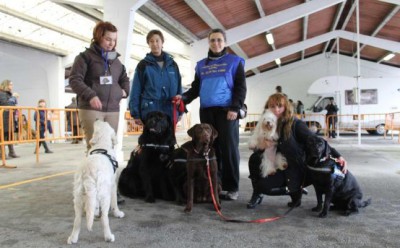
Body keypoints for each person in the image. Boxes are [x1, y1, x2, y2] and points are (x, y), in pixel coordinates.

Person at [246, 93, 348, 209]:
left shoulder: (295, 124)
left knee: (265, 187)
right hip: (275, 162)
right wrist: (261, 145)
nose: (276, 110)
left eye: (280, 106)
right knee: (254, 159)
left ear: (286, 107)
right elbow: (256, 146)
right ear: (268, 107)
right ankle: (257, 193)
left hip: (295, 167)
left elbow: (317, 141)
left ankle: (295, 191)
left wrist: (338, 156)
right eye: (272, 106)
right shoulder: (265, 121)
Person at [180, 28, 247, 200]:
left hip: (226, 113)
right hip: (207, 112)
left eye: (219, 40)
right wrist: (183, 98)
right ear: (208, 43)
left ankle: (231, 187)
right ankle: (216, 185)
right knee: (210, 150)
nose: (216, 43)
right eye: (212, 40)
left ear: (225, 42)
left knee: (229, 148)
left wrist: (235, 108)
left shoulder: (234, 61)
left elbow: (240, 87)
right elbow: (196, 88)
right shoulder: (201, 65)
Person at [69, 21, 130, 151]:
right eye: (108, 39)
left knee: (110, 147)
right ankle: (93, 171)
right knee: (95, 147)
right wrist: (91, 95)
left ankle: (108, 171)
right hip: (91, 109)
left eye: (114, 40)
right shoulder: (84, 57)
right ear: (98, 36)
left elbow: (124, 79)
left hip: (113, 110)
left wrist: (124, 92)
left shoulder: (116, 62)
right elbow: (74, 80)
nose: (111, 43)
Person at [129, 29, 182, 129]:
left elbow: (179, 88)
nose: (155, 44)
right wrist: (135, 113)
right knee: (150, 143)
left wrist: (181, 110)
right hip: (150, 112)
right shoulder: (143, 65)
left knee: (168, 143)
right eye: (151, 41)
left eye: (157, 40)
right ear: (148, 44)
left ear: (162, 42)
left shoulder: (173, 65)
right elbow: (135, 90)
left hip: (169, 110)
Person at [0, 79, 20, 158]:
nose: (12, 86)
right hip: (4, 117)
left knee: (10, 135)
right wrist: (13, 98)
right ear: (6, 85)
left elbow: (12, 106)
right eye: (10, 84)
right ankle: (2, 154)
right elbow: (6, 104)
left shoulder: (8, 94)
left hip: (9, 118)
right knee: (3, 136)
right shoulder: (2, 94)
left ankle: (11, 152)